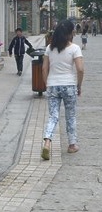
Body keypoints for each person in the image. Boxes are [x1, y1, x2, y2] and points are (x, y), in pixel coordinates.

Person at [41, 19, 84, 161]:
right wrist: (78, 85)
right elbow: (80, 69)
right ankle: (72, 145)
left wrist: (47, 84)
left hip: (53, 85)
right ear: (70, 33)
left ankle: (47, 141)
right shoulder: (75, 48)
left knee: (53, 115)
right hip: (69, 85)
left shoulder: (49, 48)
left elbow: (44, 68)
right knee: (70, 116)